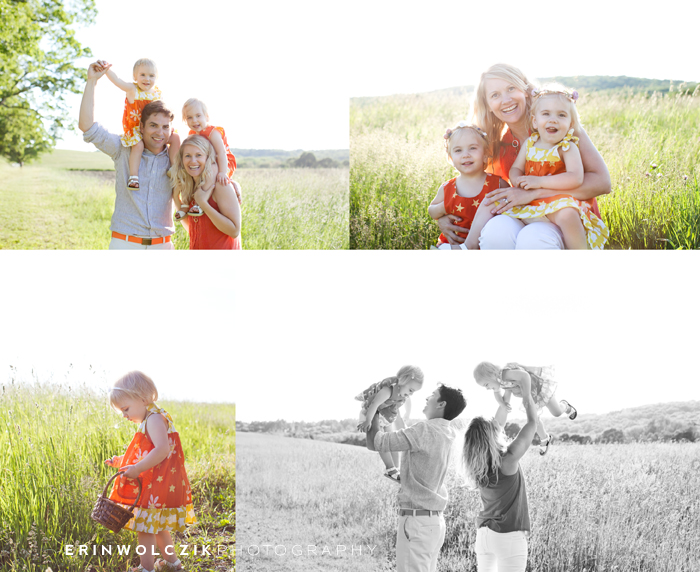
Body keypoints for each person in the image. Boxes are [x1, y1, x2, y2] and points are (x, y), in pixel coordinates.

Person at [436, 63, 611, 249]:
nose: (506, 100)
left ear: (525, 90)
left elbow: (602, 183)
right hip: (531, 213)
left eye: (511, 88)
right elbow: (482, 191)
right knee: (496, 230)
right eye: (495, 95)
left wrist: (535, 192)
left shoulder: (559, 127)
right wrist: (444, 216)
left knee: (532, 237)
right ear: (488, 104)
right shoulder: (498, 145)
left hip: (568, 218)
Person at [367, 384, 467, 572]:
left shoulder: (424, 430)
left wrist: (372, 409)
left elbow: (376, 442)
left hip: (417, 523)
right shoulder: (449, 433)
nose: (427, 398)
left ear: (441, 403)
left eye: (432, 395)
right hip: (434, 524)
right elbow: (419, 457)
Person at [79, 61, 176, 250]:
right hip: (125, 244)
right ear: (141, 127)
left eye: (165, 127)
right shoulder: (123, 149)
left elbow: (205, 169)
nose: (160, 133)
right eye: (153, 126)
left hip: (163, 247)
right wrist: (91, 82)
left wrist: (232, 185)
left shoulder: (176, 157)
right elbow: (87, 126)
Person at [105, 371, 195, 572]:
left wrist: (136, 469)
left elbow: (162, 450)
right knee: (158, 526)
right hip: (159, 483)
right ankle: (173, 564)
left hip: (156, 485)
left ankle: (146, 569)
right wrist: (122, 461)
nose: (124, 415)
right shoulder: (152, 417)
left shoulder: (154, 419)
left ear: (143, 398)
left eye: (126, 409)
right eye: (121, 411)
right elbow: (146, 453)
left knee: (144, 528)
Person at [506, 85, 608, 249]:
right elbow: (516, 168)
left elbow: (575, 178)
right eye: (546, 114)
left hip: (559, 198)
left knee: (568, 215)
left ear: (570, 124)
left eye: (561, 115)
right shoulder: (530, 144)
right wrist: (517, 179)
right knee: (496, 208)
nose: (553, 119)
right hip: (532, 201)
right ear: (534, 120)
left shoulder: (567, 148)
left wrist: (538, 182)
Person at [462, 370, 536, 572]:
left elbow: (498, 425)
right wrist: (527, 396)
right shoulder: (508, 459)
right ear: (493, 436)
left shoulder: (477, 465)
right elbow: (532, 423)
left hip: (484, 536)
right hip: (508, 536)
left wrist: (507, 394)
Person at [101, 58, 180, 189]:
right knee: (138, 145)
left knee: (175, 137)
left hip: (152, 130)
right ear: (135, 77)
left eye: (151, 75)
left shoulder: (157, 93)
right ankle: (133, 177)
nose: (147, 79)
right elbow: (117, 81)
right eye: (142, 75)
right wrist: (107, 70)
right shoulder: (133, 89)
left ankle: (174, 168)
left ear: (156, 77)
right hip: (135, 128)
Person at [428, 123, 509, 250]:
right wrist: (446, 206)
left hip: (487, 243)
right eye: (458, 150)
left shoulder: (497, 184)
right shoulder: (447, 188)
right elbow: (432, 211)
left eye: (472, 148)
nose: (466, 155)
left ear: (485, 154)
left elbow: (511, 208)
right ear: (450, 158)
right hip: (454, 244)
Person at [473, 362, 577, 455]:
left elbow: (525, 376)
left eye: (486, 384)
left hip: (539, 388)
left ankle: (565, 406)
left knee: (557, 412)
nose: (487, 388)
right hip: (530, 395)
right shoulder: (501, 383)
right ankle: (545, 438)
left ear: (491, 375)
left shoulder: (505, 374)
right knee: (533, 418)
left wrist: (527, 396)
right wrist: (503, 404)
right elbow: (498, 395)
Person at [170, 135, 242, 249]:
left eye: (199, 155)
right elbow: (192, 230)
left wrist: (203, 204)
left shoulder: (220, 185)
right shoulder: (191, 187)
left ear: (208, 158)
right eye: (187, 156)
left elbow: (234, 231)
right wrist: (176, 198)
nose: (193, 161)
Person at [356, 365, 424, 482]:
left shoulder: (403, 393)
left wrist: (407, 413)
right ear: (403, 380)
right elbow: (374, 404)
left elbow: (408, 401)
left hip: (385, 415)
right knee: (380, 440)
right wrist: (367, 420)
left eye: (413, 392)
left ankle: (395, 469)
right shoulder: (388, 390)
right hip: (372, 414)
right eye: (411, 390)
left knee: (391, 440)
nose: (410, 394)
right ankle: (390, 468)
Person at [179, 98, 241, 217]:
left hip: (224, 161)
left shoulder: (212, 132)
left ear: (206, 117)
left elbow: (222, 153)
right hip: (208, 162)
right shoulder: (192, 134)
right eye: (189, 117)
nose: (194, 120)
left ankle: (200, 202)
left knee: (212, 169)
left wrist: (223, 172)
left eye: (198, 116)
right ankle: (186, 202)